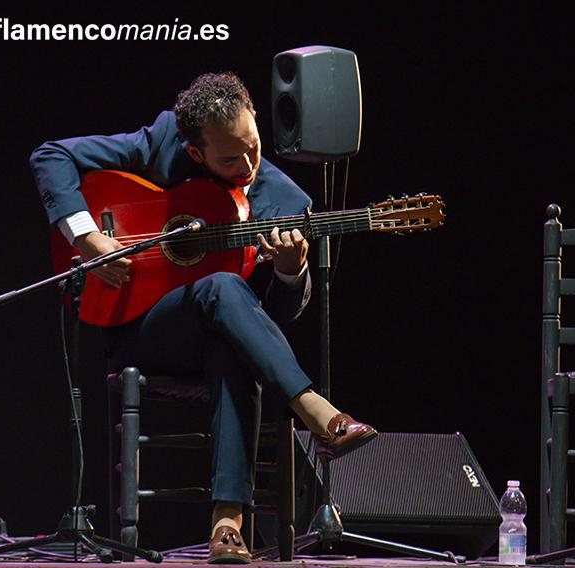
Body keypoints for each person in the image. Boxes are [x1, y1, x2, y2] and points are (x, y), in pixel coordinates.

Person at [30, 72, 377, 564]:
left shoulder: (287, 204)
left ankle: (226, 524)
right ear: (195, 153)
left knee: (230, 331)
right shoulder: (166, 142)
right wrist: (88, 238)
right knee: (222, 290)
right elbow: (51, 156)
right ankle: (315, 409)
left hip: (223, 336)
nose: (248, 165)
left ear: (256, 118)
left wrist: (290, 271)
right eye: (230, 158)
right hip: (141, 326)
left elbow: (269, 319)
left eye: (253, 147)